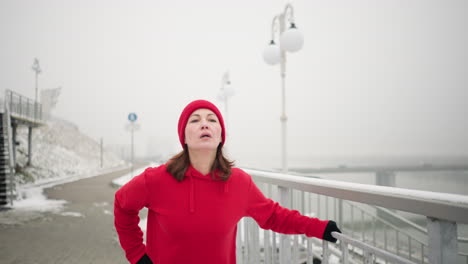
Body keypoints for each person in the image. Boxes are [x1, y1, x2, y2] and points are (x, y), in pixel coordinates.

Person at [114, 99, 341, 264]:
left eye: (212, 120)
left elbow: (273, 216)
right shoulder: (157, 179)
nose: (204, 124)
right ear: (183, 136)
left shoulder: (239, 183)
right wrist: (137, 255)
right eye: (195, 120)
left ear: (221, 136)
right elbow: (122, 204)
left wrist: (318, 228)